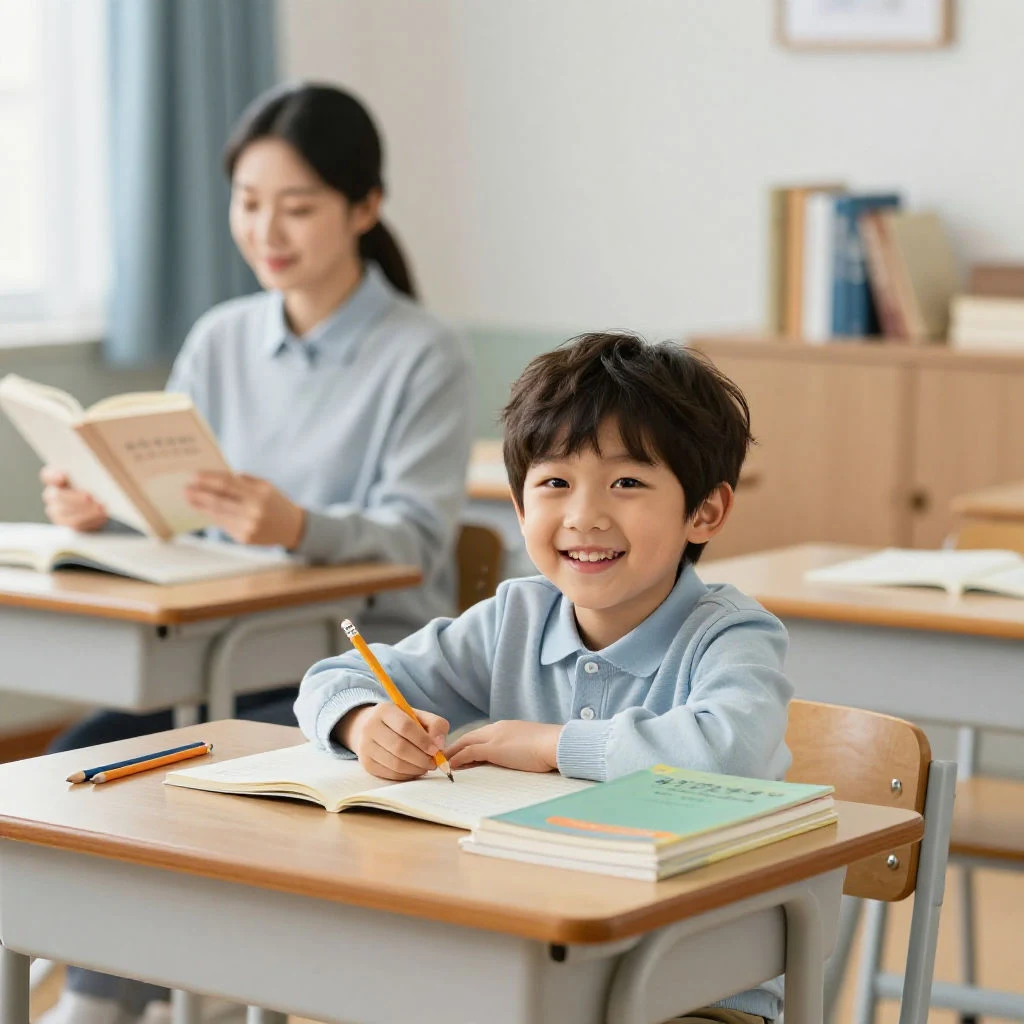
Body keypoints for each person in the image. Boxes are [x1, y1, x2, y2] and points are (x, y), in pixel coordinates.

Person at [39, 83, 473, 1024]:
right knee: (74, 768)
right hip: (212, 654)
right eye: (247, 202)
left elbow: (420, 539)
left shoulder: (421, 353)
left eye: (298, 205)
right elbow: (178, 509)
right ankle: (106, 995)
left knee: (174, 788)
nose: (267, 229)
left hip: (350, 674)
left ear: (364, 207)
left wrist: (296, 526)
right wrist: (99, 503)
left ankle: (110, 1003)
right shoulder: (222, 337)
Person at [295, 332, 792, 1024]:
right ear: (521, 505)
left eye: (627, 483)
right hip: (530, 966)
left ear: (704, 510)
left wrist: (555, 746)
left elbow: (724, 755)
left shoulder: (731, 635)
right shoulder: (515, 617)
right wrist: (363, 721)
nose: (584, 516)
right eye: (555, 483)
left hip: (694, 989)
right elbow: (333, 676)